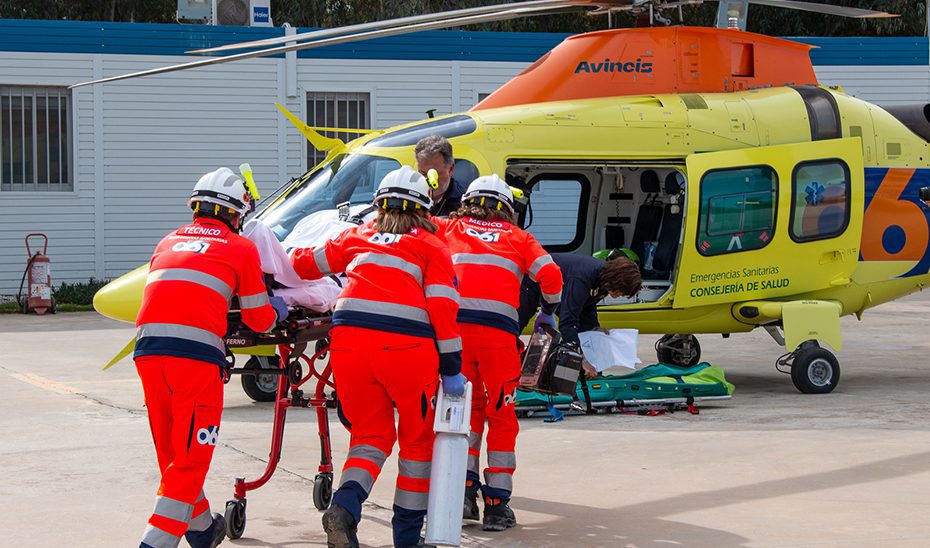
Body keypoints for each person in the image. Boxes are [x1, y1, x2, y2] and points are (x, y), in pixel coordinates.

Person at [290, 165, 464, 548]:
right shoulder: (432, 247)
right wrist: (452, 367)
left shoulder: (359, 234)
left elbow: (302, 263)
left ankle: (345, 508)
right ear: (424, 208)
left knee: (369, 436)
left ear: (378, 205)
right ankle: (406, 538)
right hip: (406, 351)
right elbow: (443, 312)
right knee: (417, 444)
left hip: (349, 345)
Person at [134, 167, 288, 548]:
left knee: (173, 451)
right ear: (236, 215)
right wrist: (277, 309)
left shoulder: (167, 241)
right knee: (191, 458)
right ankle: (154, 542)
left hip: (148, 353)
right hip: (196, 360)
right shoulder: (240, 247)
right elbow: (257, 318)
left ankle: (202, 529)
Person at [435, 175, 563, 532]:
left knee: (464, 412)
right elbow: (551, 275)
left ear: (468, 201)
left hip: (453, 337)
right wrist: (548, 310)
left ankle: (462, 493)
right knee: (501, 414)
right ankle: (496, 504)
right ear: (507, 208)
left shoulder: (446, 226)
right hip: (497, 340)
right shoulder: (519, 238)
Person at [518, 253, 642, 375]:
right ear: (615, 280)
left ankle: (591, 372)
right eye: (620, 291)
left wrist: (594, 328)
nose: (618, 296)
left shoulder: (603, 280)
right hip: (531, 281)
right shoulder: (582, 278)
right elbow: (567, 322)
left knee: (588, 333)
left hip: (561, 286)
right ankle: (507, 363)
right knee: (517, 323)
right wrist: (581, 359)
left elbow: (588, 306)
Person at [415, 135, 466, 217]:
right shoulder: (410, 199)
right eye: (423, 174)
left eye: (435, 174)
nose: (429, 181)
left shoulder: (464, 203)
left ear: (451, 169)